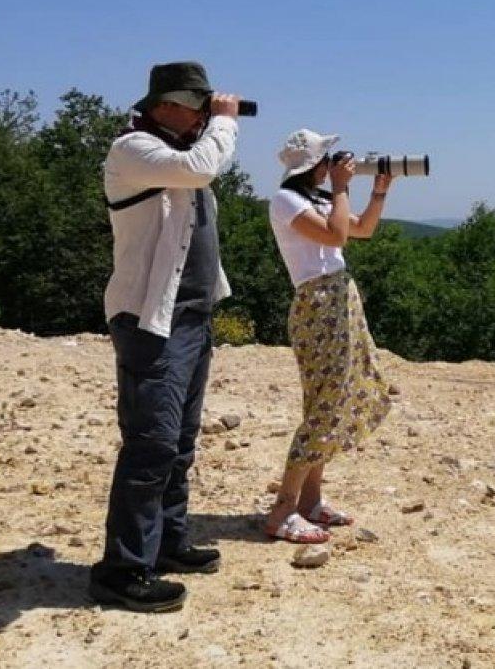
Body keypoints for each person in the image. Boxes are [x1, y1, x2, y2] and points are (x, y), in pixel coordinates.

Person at [89, 62, 242, 612]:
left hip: (193, 319)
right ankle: (122, 569)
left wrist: (211, 124)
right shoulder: (133, 149)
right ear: (163, 105)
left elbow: (195, 171)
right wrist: (225, 122)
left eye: (207, 103)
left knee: (180, 440)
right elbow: (202, 168)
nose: (204, 111)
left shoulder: (173, 156)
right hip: (151, 322)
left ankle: (168, 541)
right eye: (195, 103)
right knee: (150, 443)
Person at [263, 128, 395, 543]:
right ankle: (283, 508)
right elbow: (335, 236)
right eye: (327, 159)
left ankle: (310, 501)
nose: (333, 165)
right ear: (313, 165)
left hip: (339, 297)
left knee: (339, 397)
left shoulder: (319, 199)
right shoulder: (286, 200)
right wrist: (341, 188)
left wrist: (378, 192)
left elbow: (362, 231)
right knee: (324, 402)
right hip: (318, 303)